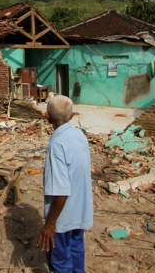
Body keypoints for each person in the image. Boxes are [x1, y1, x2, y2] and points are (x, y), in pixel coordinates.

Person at [37, 95, 93, 273]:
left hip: (64, 216)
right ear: (72, 115)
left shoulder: (56, 143)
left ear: (47, 118)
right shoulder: (79, 135)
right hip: (80, 212)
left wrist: (51, 223)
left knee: (61, 262)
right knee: (76, 251)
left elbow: (62, 190)